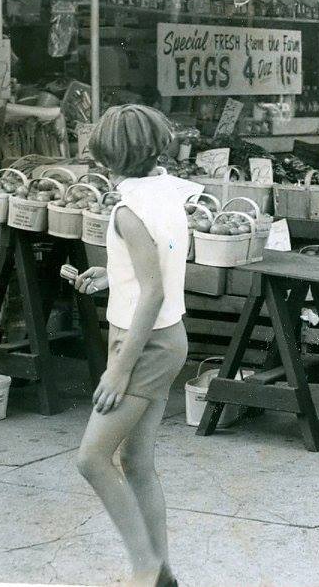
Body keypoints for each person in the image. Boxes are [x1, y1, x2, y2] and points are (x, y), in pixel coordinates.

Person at [71, 105, 200, 587]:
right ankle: (162, 572)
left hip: (142, 345)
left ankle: (145, 567)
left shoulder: (128, 210)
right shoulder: (167, 192)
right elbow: (156, 270)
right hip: (166, 337)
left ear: (110, 158)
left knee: (92, 459)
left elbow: (153, 291)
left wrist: (119, 370)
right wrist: (112, 275)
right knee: (137, 461)